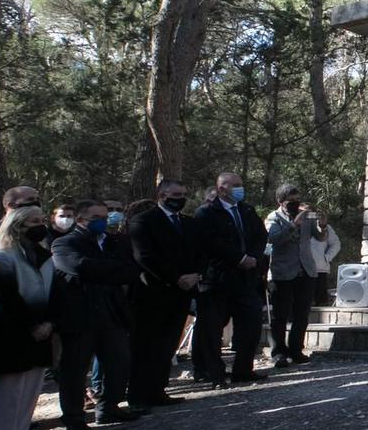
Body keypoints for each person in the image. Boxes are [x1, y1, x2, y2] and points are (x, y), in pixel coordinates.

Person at [51, 200, 144, 430]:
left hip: (112, 312)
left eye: (106, 215)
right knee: (75, 368)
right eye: (96, 218)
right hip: (80, 314)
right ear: (81, 219)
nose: (104, 220)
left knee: (119, 362)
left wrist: (103, 270)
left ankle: (109, 408)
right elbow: (79, 267)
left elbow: (131, 270)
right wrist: (110, 270)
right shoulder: (64, 243)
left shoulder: (115, 242)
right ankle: (74, 417)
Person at [0, 206, 61, 430]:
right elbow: (6, 297)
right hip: (11, 330)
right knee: (8, 388)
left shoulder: (43, 255)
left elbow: (54, 293)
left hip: (43, 327)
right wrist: (33, 325)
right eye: (33, 222)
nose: (40, 225)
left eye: (41, 220)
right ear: (17, 226)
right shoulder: (2, 257)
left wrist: (49, 321)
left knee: (31, 385)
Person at [128, 180, 201, 407]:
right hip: (154, 292)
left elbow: (201, 251)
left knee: (168, 345)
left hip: (182, 293)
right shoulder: (143, 221)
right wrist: (176, 278)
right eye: (175, 194)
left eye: (183, 194)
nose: (180, 198)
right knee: (147, 345)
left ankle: (158, 390)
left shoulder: (189, 224)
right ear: (162, 195)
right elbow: (145, 256)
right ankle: (138, 394)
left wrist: (196, 274)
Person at [193, 171, 268, 385]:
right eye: (233, 185)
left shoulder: (247, 210)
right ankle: (212, 372)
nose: (238, 188)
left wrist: (252, 257)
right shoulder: (206, 213)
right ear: (221, 188)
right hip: (217, 280)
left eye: (240, 184)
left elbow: (260, 235)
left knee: (251, 326)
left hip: (246, 280)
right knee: (211, 329)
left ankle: (243, 370)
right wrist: (239, 258)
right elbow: (210, 242)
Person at [265, 183, 322, 368]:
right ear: (280, 201)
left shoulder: (306, 216)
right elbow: (273, 238)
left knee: (301, 314)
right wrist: (293, 224)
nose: (296, 204)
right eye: (291, 201)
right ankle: (278, 352)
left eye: (298, 200)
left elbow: (319, 235)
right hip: (282, 273)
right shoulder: (273, 218)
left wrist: (323, 224)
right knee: (280, 315)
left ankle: (296, 349)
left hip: (305, 271)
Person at [0, 184, 41, 252]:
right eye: (30, 199)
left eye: (37, 199)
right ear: (11, 205)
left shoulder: (40, 228)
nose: (36, 203)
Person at [310, 213, 343, 306]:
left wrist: (327, 257)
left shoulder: (326, 228)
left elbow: (336, 244)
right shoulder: (298, 226)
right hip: (300, 269)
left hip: (319, 269)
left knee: (320, 302)